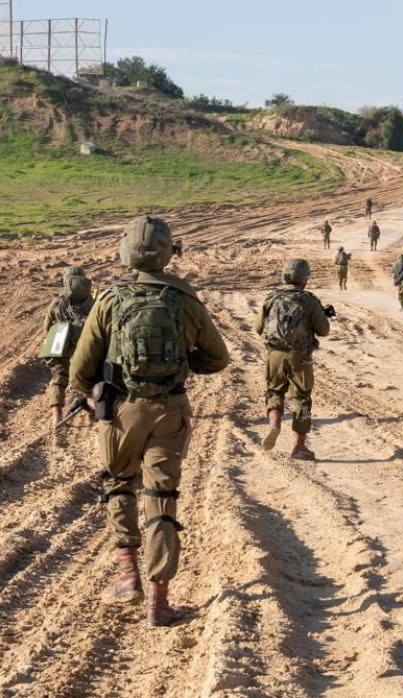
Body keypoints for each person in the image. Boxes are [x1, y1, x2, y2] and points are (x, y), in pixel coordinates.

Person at [69, 215, 230, 626]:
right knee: (162, 498)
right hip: (170, 412)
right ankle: (159, 603)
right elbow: (218, 358)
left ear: (125, 251)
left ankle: (128, 576)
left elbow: (80, 369)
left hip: (120, 413)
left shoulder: (108, 299)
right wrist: (181, 363)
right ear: (168, 253)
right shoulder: (186, 299)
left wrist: (91, 398)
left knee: (119, 485)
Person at [256, 259, 331, 461]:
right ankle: (299, 447)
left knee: (274, 392)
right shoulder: (309, 300)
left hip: (274, 356)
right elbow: (323, 331)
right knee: (302, 399)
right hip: (300, 357)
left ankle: (274, 425)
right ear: (304, 278)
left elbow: (258, 327)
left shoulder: (271, 298)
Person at [40, 267, 94, 431]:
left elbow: (47, 327)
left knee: (60, 374)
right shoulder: (90, 300)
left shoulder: (57, 302)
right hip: (85, 343)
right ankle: (91, 410)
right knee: (90, 374)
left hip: (62, 343)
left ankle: (57, 414)